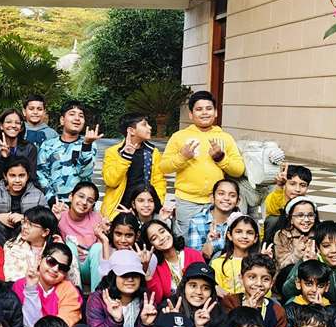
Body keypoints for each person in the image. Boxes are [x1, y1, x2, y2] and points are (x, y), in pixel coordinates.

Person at [160, 90, 245, 238]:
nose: (204, 113)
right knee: (188, 243)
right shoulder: (179, 137)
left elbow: (238, 170)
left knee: (216, 241)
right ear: (191, 114)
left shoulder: (225, 138)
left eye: (209, 108)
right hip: (187, 202)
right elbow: (164, 167)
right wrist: (182, 157)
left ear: (216, 112)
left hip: (218, 203)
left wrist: (221, 158)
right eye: (199, 109)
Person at [280, 221, 336, 318]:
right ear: (318, 248)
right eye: (326, 246)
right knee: (291, 302)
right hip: (315, 307)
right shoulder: (312, 258)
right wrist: (305, 264)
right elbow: (287, 292)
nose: (334, 251)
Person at [100, 114, 166, 219]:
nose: (149, 127)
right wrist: (125, 156)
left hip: (144, 210)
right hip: (118, 209)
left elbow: (159, 181)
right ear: (131, 130)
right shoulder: (113, 152)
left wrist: (155, 203)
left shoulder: (153, 152)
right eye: (144, 125)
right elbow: (111, 181)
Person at [35, 100, 101, 204]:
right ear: (62, 120)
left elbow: (85, 173)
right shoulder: (48, 145)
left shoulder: (89, 145)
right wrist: (52, 200)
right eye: (72, 114)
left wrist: (87, 145)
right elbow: (41, 174)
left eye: (81, 116)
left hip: (80, 205)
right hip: (53, 204)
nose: (77, 118)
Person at [220, 254, 288, 327]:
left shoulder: (277, 311)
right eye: (252, 277)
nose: (259, 283)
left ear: (272, 283)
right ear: (241, 278)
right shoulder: (230, 302)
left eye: (265, 279)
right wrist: (247, 311)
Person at [12, 242, 83, 327]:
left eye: (62, 267)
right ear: (40, 259)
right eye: (51, 261)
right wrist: (31, 288)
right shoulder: (20, 285)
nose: (55, 269)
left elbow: (62, 326)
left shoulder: (69, 290)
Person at [54, 181, 105, 292]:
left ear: (92, 206)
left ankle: (96, 295)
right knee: (70, 246)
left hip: (91, 269)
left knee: (97, 247)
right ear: (71, 196)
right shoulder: (60, 217)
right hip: (67, 267)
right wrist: (54, 221)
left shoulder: (97, 218)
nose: (84, 202)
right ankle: (76, 294)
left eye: (90, 201)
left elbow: (102, 252)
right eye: (81, 196)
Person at [141, 219, 204, 305]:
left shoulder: (193, 254)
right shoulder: (155, 266)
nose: (161, 238)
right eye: (154, 238)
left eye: (162, 232)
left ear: (169, 231)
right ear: (151, 246)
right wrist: (147, 273)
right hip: (173, 308)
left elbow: (205, 284)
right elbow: (157, 299)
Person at [173, 262, 226, 327]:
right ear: (184, 286)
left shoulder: (218, 312)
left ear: (212, 292)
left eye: (206, 288)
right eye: (193, 285)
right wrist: (171, 324)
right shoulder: (170, 305)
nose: (199, 292)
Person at [284, 261, 336, 327]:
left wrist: (322, 312)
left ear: (327, 286)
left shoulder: (333, 312)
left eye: (320, 286)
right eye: (308, 284)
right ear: (298, 283)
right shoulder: (290, 310)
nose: (314, 290)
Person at [0, 157, 46, 244]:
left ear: (27, 176)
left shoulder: (37, 195)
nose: (17, 180)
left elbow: (45, 220)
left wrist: (24, 218)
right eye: (12, 176)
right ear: (5, 176)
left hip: (27, 239)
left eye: (21, 175)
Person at [3, 206, 68, 284]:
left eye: (30, 224)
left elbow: (69, 280)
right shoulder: (12, 246)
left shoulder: (58, 249)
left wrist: (62, 250)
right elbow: (11, 278)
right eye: (24, 222)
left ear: (45, 232)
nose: (24, 227)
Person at [186, 178, 241, 259]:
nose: (226, 198)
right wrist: (208, 245)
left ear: (238, 201)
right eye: (221, 194)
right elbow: (194, 257)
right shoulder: (197, 221)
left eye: (232, 195)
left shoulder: (243, 221)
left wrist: (214, 245)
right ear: (212, 198)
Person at [210, 213, 262, 295]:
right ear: (230, 235)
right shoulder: (218, 263)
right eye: (239, 232)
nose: (244, 236)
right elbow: (218, 292)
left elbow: (265, 292)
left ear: (255, 238)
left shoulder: (260, 264)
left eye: (249, 233)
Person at [0, 107, 39, 186]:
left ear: (21, 127)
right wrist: (4, 158)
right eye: (9, 122)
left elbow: (32, 178)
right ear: (1, 126)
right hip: (0, 191)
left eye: (17, 123)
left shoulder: (29, 148)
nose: (13, 125)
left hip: (24, 191)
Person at [263, 164, 312, 244]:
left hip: (299, 242)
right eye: (292, 184)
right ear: (285, 184)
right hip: (276, 241)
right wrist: (279, 186)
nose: (297, 189)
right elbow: (273, 210)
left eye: (302, 185)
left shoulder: (307, 204)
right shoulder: (276, 196)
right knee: (272, 220)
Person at [273, 197, 319, 270]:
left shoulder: (320, 233)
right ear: (290, 218)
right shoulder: (282, 235)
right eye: (300, 215)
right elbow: (281, 266)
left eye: (310, 215)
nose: (306, 220)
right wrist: (297, 254)